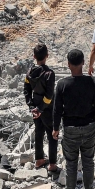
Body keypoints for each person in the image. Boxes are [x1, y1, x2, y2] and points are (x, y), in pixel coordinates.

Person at [52, 48, 95, 189]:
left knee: (71, 164)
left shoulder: (62, 85)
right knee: (88, 162)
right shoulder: (93, 82)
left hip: (70, 129)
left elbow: (57, 109)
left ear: (68, 65)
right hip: (89, 127)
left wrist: (55, 128)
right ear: (83, 63)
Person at [23, 43, 57, 173]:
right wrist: (41, 109)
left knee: (38, 132)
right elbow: (49, 95)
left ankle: (39, 159)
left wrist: (32, 107)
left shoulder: (29, 73)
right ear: (47, 56)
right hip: (46, 108)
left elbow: (26, 91)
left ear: (34, 56)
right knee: (52, 134)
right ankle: (52, 164)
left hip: (36, 107)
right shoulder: (49, 74)